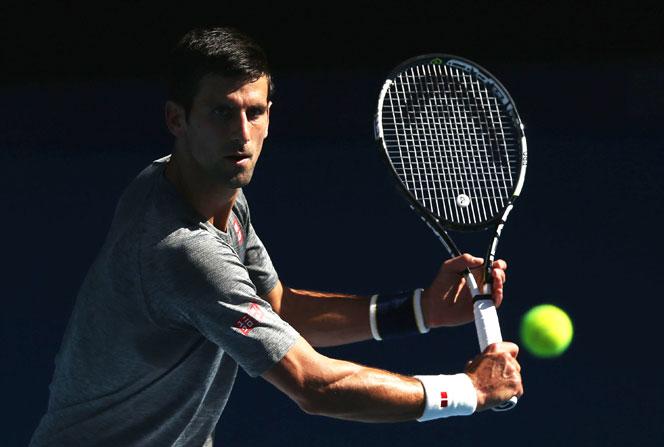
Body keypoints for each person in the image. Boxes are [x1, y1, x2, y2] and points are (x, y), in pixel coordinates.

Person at [30, 27, 522, 446]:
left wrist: (420, 311)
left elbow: (277, 308)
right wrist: (467, 391)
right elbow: (313, 386)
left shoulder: (198, 188)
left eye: (255, 112)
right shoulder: (183, 252)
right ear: (176, 119)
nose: (241, 134)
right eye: (222, 113)